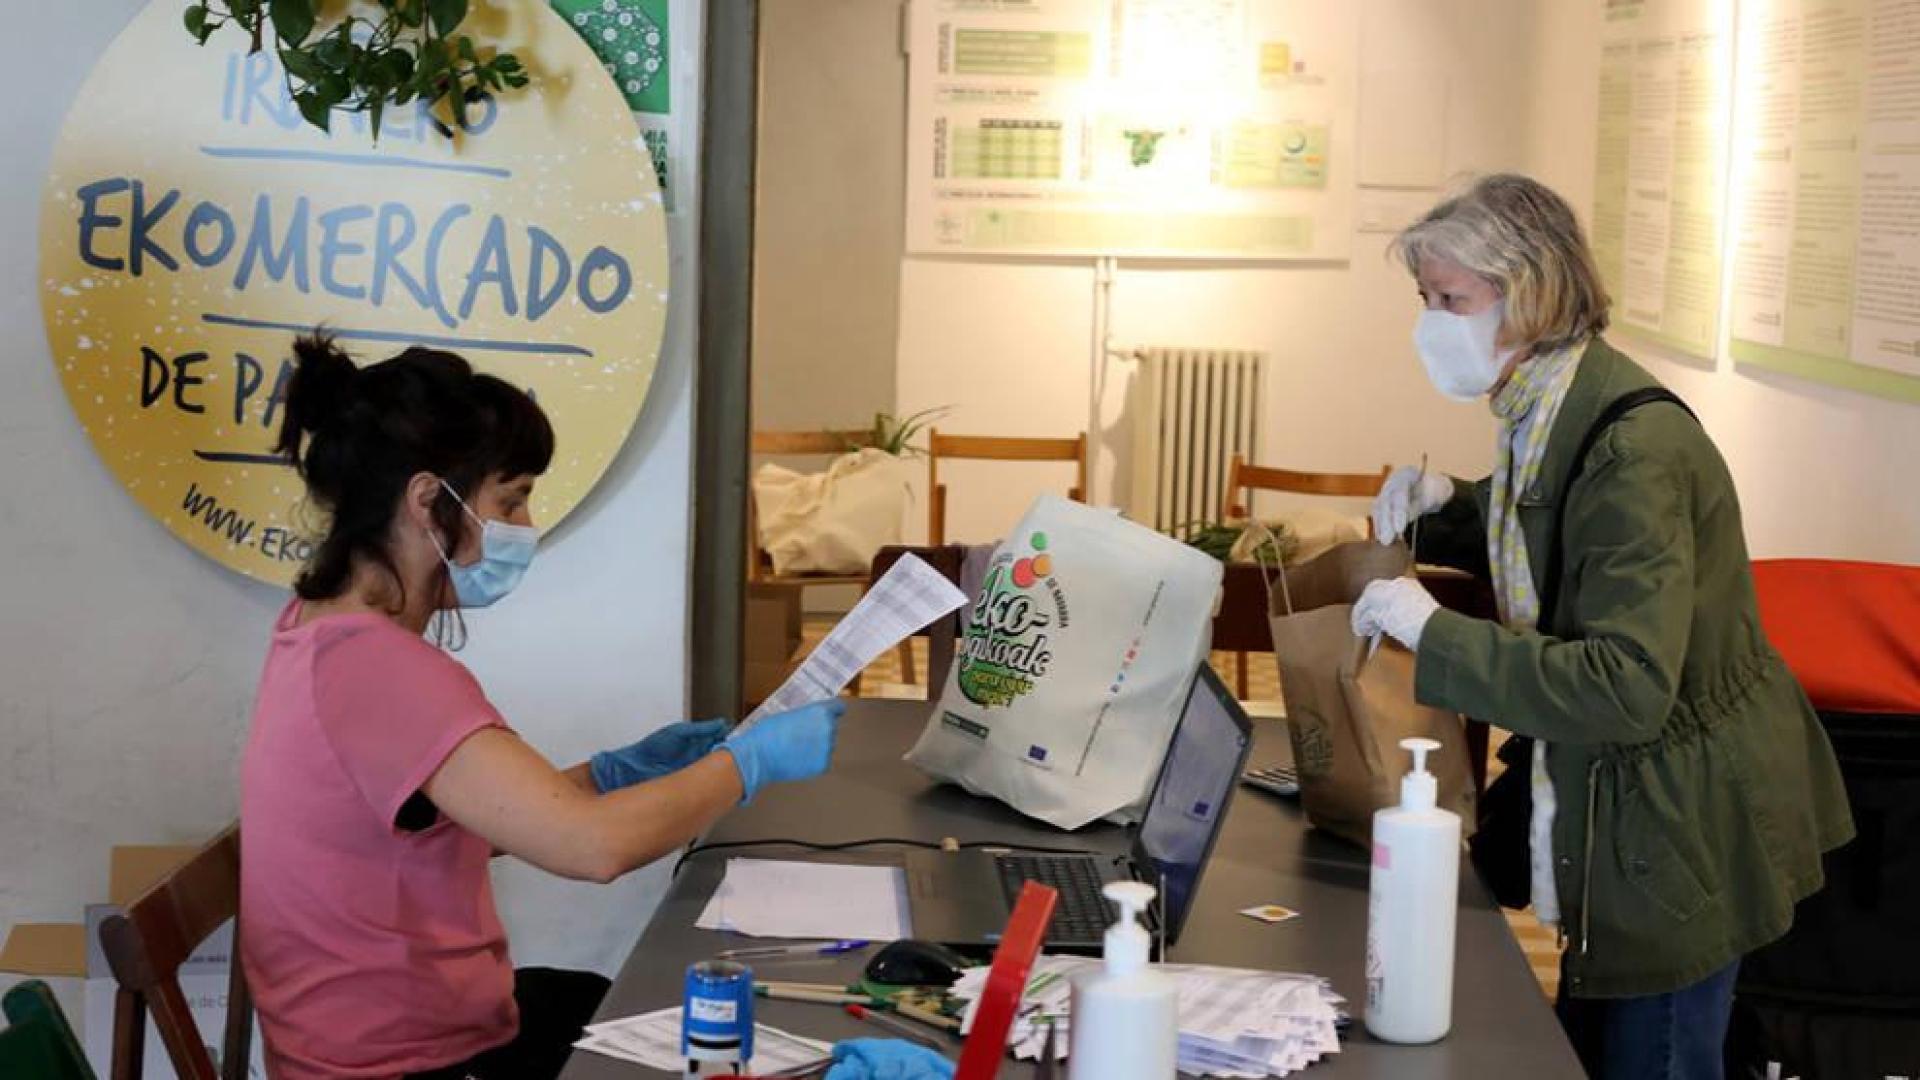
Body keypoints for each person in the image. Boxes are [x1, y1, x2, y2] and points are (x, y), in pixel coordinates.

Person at [1351, 175, 1853, 1080]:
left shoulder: (1634, 447)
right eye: (1425, 297)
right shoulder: (1549, 397)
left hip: (1678, 823)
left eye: (1451, 299)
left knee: (1653, 1055)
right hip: (1626, 805)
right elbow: (1555, 534)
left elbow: (1624, 684)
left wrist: (1435, 635)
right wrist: (1449, 510)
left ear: (1532, 290)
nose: (1431, 321)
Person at [240, 334, 847, 1080]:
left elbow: (445, 822)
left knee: (617, 1003)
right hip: (400, 1066)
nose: (526, 527)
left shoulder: (320, 634)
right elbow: (592, 850)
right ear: (429, 500)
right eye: (513, 498)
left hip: (386, 1043)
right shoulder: (377, 667)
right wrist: (745, 765)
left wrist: (609, 773)